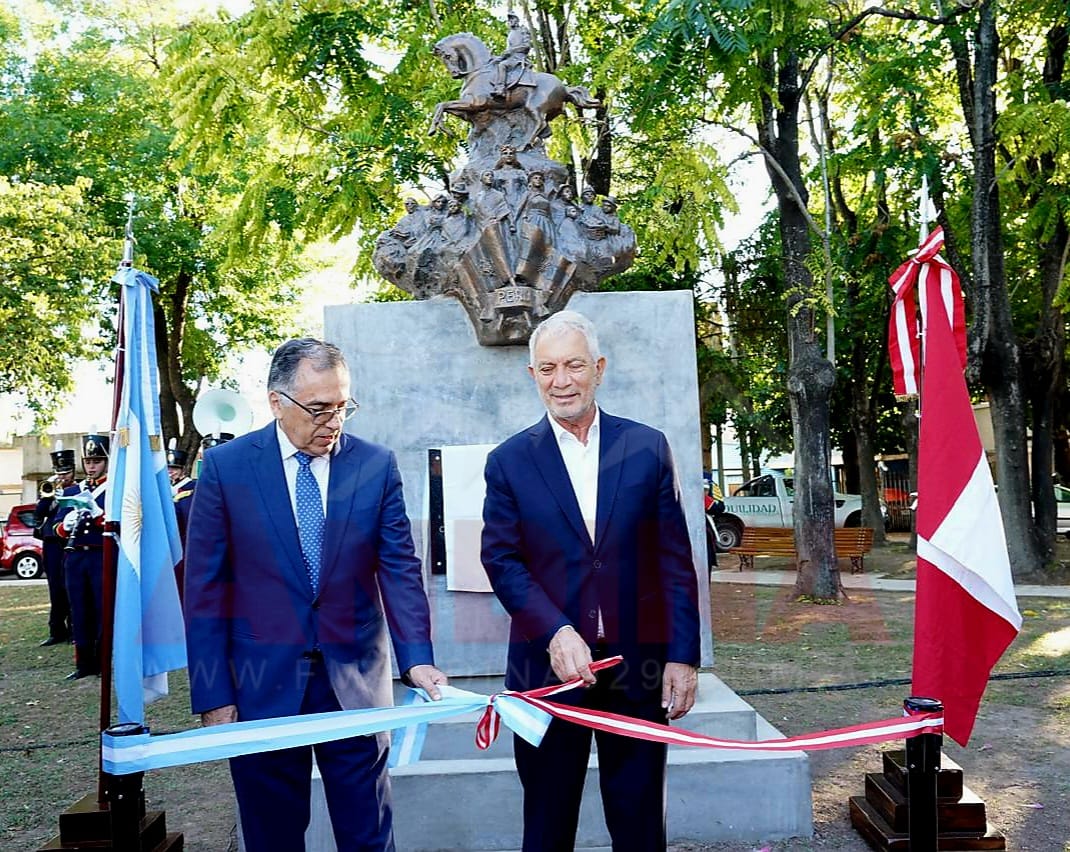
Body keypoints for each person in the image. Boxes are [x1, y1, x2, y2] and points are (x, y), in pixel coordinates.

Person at [184, 337, 447, 852]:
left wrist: (417, 659)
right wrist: (214, 692)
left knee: (368, 836)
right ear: (277, 401)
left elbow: (399, 569)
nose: (334, 421)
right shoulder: (226, 468)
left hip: (355, 687)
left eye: (343, 406)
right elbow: (205, 589)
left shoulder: (375, 465)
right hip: (261, 688)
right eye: (319, 408)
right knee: (272, 838)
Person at [481, 310, 701, 852]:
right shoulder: (508, 461)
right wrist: (554, 632)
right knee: (549, 824)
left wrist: (683, 656)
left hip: (639, 669)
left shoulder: (648, 447)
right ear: (532, 376)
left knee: (641, 823)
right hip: (548, 673)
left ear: (598, 368)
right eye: (548, 368)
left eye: (574, 365)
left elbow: (675, 559)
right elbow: (502, 560)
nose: (562, 381)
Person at [55, 433, 110, 680]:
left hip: (100, 556)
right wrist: (65, 525)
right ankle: (84, 663)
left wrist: (99, 514)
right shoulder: (74, 490)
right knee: (79, 609)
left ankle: (103, 662)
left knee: (102, 609)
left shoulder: (114, 489)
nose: (91, 466)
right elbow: (54, 527)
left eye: (97, 461)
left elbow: (121, 525)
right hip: (75, 558)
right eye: (88, 461)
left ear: (107, 462)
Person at [33, 444, 76, 647]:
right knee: (54, 588)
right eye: (59, 472)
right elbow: (39, 514)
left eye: (66, 472)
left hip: (69, 542)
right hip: (51, 543)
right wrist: (48, 496)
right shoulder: (49, 491)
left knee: (70, 586)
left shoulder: (78, 490)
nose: (62, 476)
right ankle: (56, 629)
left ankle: (74, 629)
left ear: (73, 471)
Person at [491, 12, 533, 97]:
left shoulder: (523, 30)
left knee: (502, 65)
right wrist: (498, 57)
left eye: (512, 19)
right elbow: (508, 50)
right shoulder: (510, 33)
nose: (510, 21)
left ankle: (500, 89)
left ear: (516, 20)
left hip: (519, 58)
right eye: (509, 20)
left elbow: (526, 46)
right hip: (510, 57)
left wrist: (511, 50)